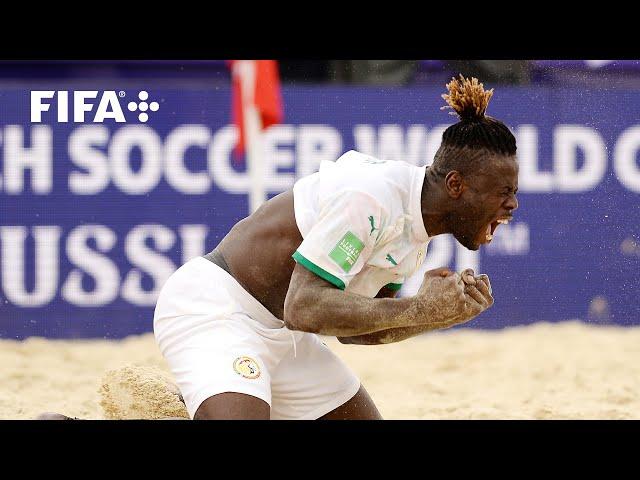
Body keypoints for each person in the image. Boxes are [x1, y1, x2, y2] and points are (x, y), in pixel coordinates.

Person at [38, 75, 519, 420]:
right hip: (217, 310)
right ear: (456, 185)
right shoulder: (373, 197)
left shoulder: (417, 228)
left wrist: (435, 315)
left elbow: (352, 329)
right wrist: (418, 309)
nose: (512, 204)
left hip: (283, 333)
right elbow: (305, 305)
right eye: (503, 194)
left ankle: (198, 405)